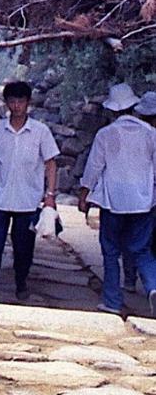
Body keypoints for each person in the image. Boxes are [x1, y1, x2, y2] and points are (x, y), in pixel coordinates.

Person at [77, 83, 156, 315]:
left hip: (113, 202)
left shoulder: (105, 134)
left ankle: (112, 301)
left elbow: (94, 168)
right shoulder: (151, 134)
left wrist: (84, 195)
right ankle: (153, 286)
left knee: (111, 251)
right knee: (142, 250)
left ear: (112, 110)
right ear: (134, 106)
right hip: (144, 202)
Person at [0, 80, 60, 303]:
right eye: (12, 101)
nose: (16, 106)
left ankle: (21, 280)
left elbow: (51, 163)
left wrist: (50, 196)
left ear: (28, 103)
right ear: (6, 103)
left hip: (28, 199)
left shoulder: (40, 132)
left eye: (20, 101)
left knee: (23, 249)